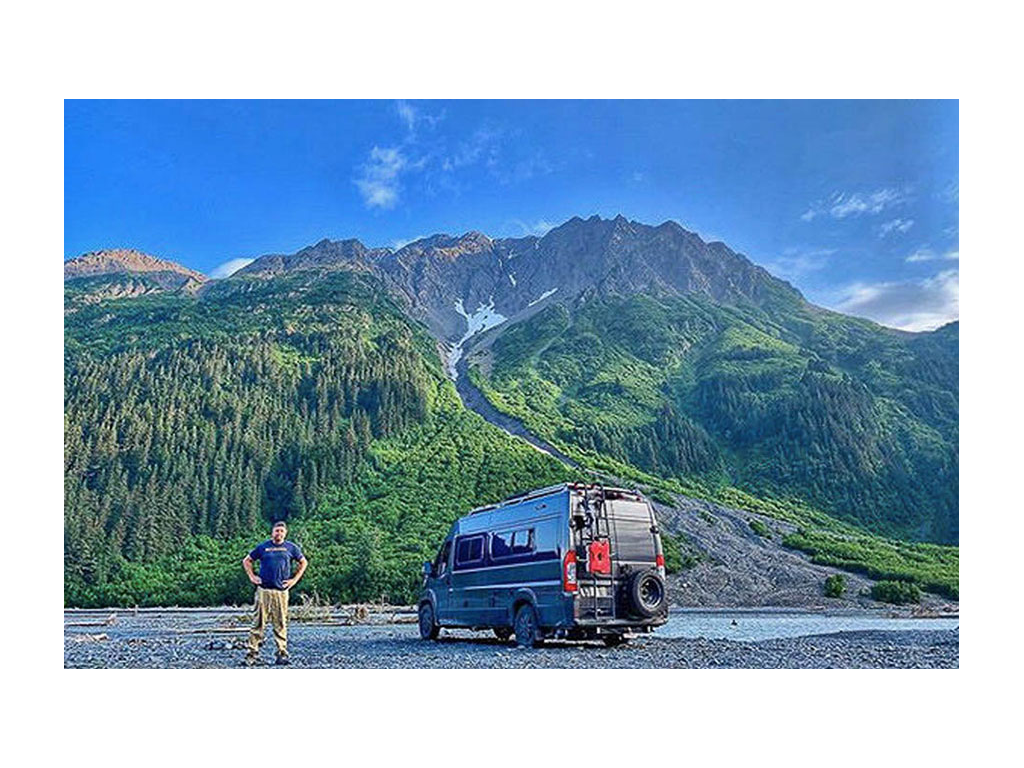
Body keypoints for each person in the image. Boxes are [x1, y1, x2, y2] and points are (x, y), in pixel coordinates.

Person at [242, 521, 308, 666]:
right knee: (258, 622)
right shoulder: (263, 547)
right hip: (264, 590)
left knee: (280, 623)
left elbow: (303, 562)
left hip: (281, 592)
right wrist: (252, 577)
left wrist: (294, 580)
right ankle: (252, 653)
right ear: (272, 532)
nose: (279, 533)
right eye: (276, 531)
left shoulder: (291, 548)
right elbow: (247, 561)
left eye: (281, 531)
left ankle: (282, 653)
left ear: (285, 533)